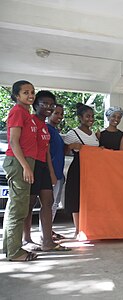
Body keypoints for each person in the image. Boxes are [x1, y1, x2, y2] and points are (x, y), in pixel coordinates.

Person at [22, 91, 69, 251]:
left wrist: (51, 173)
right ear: (35, 104)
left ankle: (47, 241)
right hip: (32, 166)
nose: (48, 107)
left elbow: (47, 151)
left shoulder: (46, 127)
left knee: (48, 203)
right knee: (28, 204)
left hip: (44, 168)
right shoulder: (30, 121)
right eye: (44, 104)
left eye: (51, 104)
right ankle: (26, 239)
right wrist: (26, 167)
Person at [2, 80, 39, 261]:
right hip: (18, 163)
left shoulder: (26, 113)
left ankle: (9, 248)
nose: (30, 95)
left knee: (14, 207)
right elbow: (14, 142)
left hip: (23, 162)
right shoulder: (17, 111)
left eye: (32, 92)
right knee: (19, 210)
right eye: (25, 92)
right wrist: (25, 166)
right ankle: (15, 252)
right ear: (17, 95)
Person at [64, 103, 100, 239]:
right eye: (87, 116)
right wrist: (72, 146)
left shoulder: (95, 135)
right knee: (76, 197)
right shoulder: (72, 133)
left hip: (93, 169)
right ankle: (78, 229)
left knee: (91, 197)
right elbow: (64, 151)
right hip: (78, 168)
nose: (90, 119)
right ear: (80, 117)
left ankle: (89, 226)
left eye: (92, 116)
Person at [46, 103, 67, 239]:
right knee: (50, 204)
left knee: (54, 203)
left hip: (58, 173)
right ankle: (46, 233)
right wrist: (52, 173)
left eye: (61, 113)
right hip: (52, 173)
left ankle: (49, 230)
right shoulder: (47, 129)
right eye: (56, 113)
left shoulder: (55, 131)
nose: (59, 116)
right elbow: (47, 153)